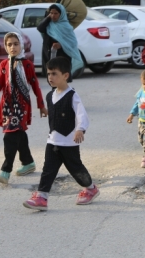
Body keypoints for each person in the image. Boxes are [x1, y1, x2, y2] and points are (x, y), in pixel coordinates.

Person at [23, 57, 99, 211]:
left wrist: (80, 129)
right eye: (48, 73)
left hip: (69, 142)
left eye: (54, 74)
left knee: (76, 169)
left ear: (65, 75)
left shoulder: (72, 96)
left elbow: (82, 115)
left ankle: (91, 188)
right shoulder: (50, 96)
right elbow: (54, 111)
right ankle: (42, 197)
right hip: (53, 141)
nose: (50, 77)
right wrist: (45, 111)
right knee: (48, 169)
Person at [0, 32, 47, 185]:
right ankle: (28, 162)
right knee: (18, 134)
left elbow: (35, 85)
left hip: (21, 106)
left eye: (16, 44)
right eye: (9, 44)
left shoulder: (27, 65)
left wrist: (41, 105)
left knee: (9, 136)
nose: (13, 47)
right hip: (8, 105)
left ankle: (6, 170)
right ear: (6, 46)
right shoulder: (3, 65)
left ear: (21, 45)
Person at [37, 4, 83, 79]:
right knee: (51, 79)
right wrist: (48, 18)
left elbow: (73, 42)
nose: (53, 15)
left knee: (62, 78)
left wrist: (61, 45)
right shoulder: (49, 25)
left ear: (61, 14)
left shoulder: (66, 26)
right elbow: (40, 28)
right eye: (51, 13)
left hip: (62, 56)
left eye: (56, 13)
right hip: (49, 55)